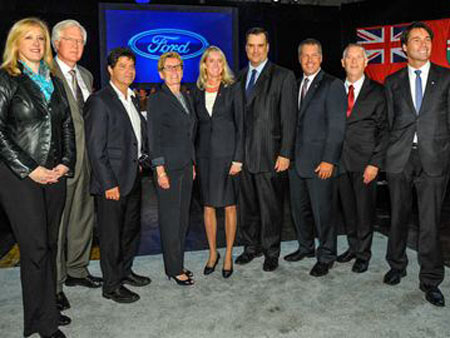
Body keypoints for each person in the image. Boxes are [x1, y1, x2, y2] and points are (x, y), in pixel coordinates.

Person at [0, 17, 76, 338]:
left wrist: (65, 163)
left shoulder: (53, 79)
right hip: (21, 178)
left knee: (48, 243)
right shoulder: (6, 79)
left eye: (41, 39)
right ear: (16, 43)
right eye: (28, 38)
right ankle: (44, 324)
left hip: (55, 175)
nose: (36, 44)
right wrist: (30, 168)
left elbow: (67, 125)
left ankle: (42, 311)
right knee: (35, 249)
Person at [383, 22, 450, 307]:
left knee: (430, 222)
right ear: (404, 47)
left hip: (434, 158)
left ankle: (431, 280)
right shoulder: (392, 81)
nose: (423, 44)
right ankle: (396, 265)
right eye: (416, 39)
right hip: (400, 158)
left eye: (427, 39)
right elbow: (387, 123)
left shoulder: (447, 78)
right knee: (398, 216)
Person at [84, 47, 151, 304]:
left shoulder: (132, 98)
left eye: (131, 66)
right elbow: (95, 147)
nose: (128, 70)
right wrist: (108, 182)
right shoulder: (100, 101)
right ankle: (111, 286)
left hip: (132, 178)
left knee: (130, 231)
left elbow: (133, 138)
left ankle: (124, 272)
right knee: (111, 236)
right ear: (110, 70)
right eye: (122, 66)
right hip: (112, 183)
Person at [235, 27, 297, 272]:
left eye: (260, 45)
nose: (255, 50)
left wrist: (286, 153)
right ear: (246, 48)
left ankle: (271, 252)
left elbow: (290, 119)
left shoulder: (283, 76)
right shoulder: (238, 77)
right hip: (243, 157)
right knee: (247, 207)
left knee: (271, 207)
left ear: (268, 47)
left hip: (271, 155)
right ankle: (251, 247)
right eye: (251, 45)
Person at [51, 19, 102, 312]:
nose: (76, 46)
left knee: (83, 215)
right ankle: (55, 284)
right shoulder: (47, 73)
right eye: (70, 40)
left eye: (81, 41)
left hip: (88, 159)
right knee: (58, 223)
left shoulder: (85, 73)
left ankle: (77, 270)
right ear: (57, 43)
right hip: (62, 161)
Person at [285, 38, 347, 277]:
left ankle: (327, 255)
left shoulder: (332, 85)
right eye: (305, 56)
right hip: (296, 163)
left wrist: (329, 160)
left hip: (321, 163)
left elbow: (337, 127)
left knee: (324, 213)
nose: (309, 60)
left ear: (321, 58)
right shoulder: (296, 85)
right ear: (299, 59)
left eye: (314, 55)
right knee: (299, 211)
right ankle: (306, 247)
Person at [335, 43, 388, 273]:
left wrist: (375, 163)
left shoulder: (378, 91)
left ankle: (364, 254)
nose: (354, 61)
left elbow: (385, 130)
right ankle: (353, 247)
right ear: (343, 62)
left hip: (365, 163)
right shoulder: (334, 89)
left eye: (359, 57)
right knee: (347, 209)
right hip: (339, 162)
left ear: (366, 62)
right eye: (350, 57)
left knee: (364, 210)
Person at [193, 46, 244, 278]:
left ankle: (228, 254)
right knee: (208, 206)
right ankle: (213, 253)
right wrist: (193, 161)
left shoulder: (233, 89)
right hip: (204, 159)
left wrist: (238, 158)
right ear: (204, 65)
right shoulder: (196, 92)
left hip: (228, 159)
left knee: (230, 206)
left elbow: (242, 126)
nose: (214, 65)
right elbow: (193, 130)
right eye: (210, 61)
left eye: (219, 61)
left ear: (223, 65)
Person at [149, 52, 196, 285]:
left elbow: (190, 135)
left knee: (182, 220)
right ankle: (174, 269)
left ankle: (177, 262)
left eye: (177, 67)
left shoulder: (185, 96)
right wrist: (160, 170)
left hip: (186, 167)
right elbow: (154, 137)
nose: (174, 71)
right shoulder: (158, 99)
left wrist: (193, 163)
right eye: (168, 68)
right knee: (170, 220)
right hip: (168, 170)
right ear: (161, 73)